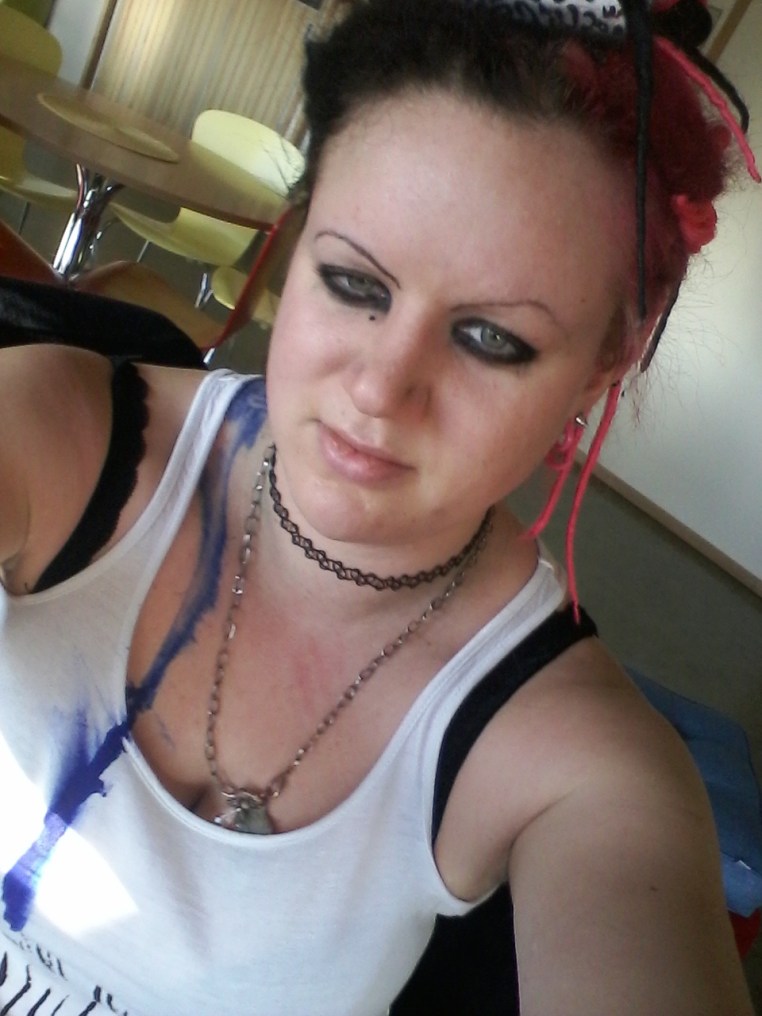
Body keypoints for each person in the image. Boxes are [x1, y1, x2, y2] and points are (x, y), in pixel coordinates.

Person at [0, 0, 757, 1012]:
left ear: (600, 368)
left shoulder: (575, 759)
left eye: (492, 339)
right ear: (297, 236)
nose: (380, 387)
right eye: (354, 281)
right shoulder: (70, 438)